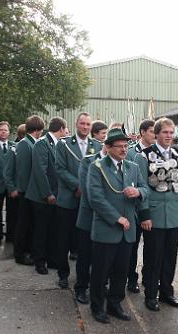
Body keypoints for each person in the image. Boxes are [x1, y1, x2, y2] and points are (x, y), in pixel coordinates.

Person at [86, 128, 148, 323]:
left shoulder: (132, 167)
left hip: (127, 232)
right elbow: (96, 198)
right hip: (107, 230)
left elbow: (145, 188)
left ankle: (114, 304)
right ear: (107, 147)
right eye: (119, 146)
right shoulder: (97, 167)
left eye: (126, 146)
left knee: (121, 271)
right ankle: (97, 307)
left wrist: (138, 192)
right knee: (100, 272)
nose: (123, 149)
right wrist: (117, 218)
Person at [135, 118, 178, 311]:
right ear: (157, 134)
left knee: (170, 256)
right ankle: (151, 295)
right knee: (153, 257)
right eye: (165, 132)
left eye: (171, 132)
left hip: (174, 213)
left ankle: (167, 292)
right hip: (154, 215)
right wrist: (144, 214)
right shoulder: (144, 156)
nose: (168, 136)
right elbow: (141, 186)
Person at [55, 112, 102, 288]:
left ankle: (84, 275)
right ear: (76, 124)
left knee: (85, 241)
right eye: (82, 123)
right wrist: (78, 186)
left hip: (87, 202)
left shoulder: (97, 145)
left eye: (88, 124)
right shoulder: (64, 144)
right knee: (63, 240)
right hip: (68, 200)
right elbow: (60, 169)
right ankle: (63, 274)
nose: (85, 127)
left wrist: (86, 188)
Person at [26, 117, 63, 275]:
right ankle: (39, 262)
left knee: (52, 230)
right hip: (41, 196)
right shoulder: (42, 143)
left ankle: (52, 259)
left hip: (53, 194)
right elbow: (40, 171)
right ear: (61, 129)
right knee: (41, 231)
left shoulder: (56, 143)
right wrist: (48, 193)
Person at [75, 142, 108, 304]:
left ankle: (100, 286)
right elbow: (87, 191)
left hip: (108, 220)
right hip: (89, 217)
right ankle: (81, 288)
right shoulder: (88, 161)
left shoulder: (119, 164)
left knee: (103, 258)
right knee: (85, 256)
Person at [126, 119, 155, 293]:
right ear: (143, 132)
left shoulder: (157, 153)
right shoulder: (130, 152)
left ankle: (148, 277)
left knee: (151, 247)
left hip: (152, 209)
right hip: (134, 209)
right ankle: (131, 278)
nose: (155, 134)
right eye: (152, 131)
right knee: (133, 246)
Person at [12, 116, 45, 265]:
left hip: (30, 191)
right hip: (26, 191)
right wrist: (25, 191)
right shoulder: (25, 144)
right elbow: (23, 170)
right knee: (23, 225)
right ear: (37, 130)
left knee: (29, 224)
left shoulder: (32, 143)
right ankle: (19, 255)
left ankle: (27, 251)